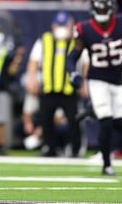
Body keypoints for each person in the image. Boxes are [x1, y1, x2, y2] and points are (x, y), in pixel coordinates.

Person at [66, 0, 122, 175]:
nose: (101, 12)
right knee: (106, 122)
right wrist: (73, 74)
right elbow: (72, 57)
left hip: (118, 81)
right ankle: (107, 164)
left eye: (104, 8)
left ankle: (94, 112)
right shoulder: (83, 29)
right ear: (92, 8)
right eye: (98, 8)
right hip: (97, 80)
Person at [27, 11, 81, 157]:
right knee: (46, 120)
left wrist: (85, 83)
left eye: (65, 25)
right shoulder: (44, 40)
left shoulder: (76, 41)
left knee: (74, 120)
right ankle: (49, 147)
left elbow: (85, 62)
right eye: (59, 25)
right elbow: (33, 61)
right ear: (53, 26)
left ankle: (75, 149)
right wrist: (31, 78)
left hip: (69, 88)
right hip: (48, 87)